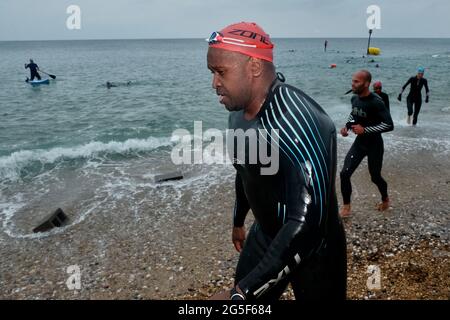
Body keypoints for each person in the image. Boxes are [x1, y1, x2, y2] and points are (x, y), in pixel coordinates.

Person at [206, 22, 346, 301]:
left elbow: (308, 223)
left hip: (316, 246)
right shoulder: (236, 113)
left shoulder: (300, 121)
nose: (214, 84)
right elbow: (246, 170)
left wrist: (240, 294)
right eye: (212, 73)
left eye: (221, 72)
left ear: (254, 67)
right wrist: (238, 220)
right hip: (267, 233)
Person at [339, 70, 393, 217]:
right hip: (360, 143)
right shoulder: (354, 99)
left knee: (375, 177)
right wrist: (347, 127)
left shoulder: (376, 102)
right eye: (353, 80)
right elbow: (354, 115)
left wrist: (365, 130)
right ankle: (346, 207)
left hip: (375, 145)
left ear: (367, 84)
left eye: (356, 81)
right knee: (344, 173)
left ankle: (385, 199)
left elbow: (389, 125)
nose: (353, 83)